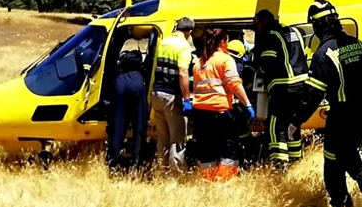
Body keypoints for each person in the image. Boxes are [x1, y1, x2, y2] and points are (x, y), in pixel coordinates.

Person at [305, 0, 362, 207]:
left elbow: (313, 96)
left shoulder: (323, 55)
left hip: (340, 116)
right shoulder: (359, 46)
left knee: (332, 163)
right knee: (347, 152)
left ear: (318, 26)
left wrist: (295, 120)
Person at [253, 9, 321, 170]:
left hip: (284, 85)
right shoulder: (294, 32)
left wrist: (259, 71)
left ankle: (279, 163)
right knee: (292, 124)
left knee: (275, 124)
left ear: (265, 21)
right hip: (301, 84)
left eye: (257, 23)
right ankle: (295, 159)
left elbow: (268, 62)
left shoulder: (271, 36)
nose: (256, 27)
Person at [191, 28, 255, 180]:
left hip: (200, 113)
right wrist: (247, 104)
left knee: (207, 149)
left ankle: (209, 180)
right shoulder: (225, 59)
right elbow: (234, 84)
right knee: (229, 148)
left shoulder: (199, 63)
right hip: (220, 112)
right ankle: (224, 181)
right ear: (222, 42)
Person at [150, 17, 194, 173]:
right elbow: (183, 73)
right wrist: (187, 99)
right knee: (177, 137)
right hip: (171, 95)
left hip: (157, 93)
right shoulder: (184, 46)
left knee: (163, 137)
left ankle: (162, 171)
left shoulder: (164, 42)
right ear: (189, 32)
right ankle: (176, 175)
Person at [106, 49, 149, 170]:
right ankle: (137, 162)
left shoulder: (121, 65)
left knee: (118, 126)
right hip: (137, 84)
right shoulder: (140, 66)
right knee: (139, 125)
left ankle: (113, 161)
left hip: (120, 85)